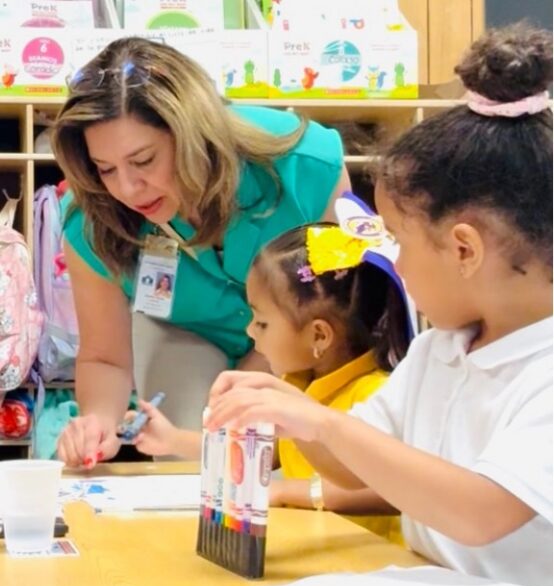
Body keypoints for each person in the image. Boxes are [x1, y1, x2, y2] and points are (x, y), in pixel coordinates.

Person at [205, 23, 553, 586]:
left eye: (399, 239)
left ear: (464, 249)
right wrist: (284, 409)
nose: (394, 262)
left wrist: (317, 421)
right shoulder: (441, 349)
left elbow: (481, 511)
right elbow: (350, 462)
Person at [51, 36, 350, 468]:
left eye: (144, 160)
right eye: (106, 168)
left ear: (193, 134)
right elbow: (105, 357)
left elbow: (342, 307)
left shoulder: (308, 167)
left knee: (285, 458)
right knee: (187, 460)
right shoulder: (90, 217)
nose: (128, 189)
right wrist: (98, 423)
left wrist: (258, 372)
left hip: (304, 331)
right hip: (185, 331)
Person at [124, 216, 413, 543]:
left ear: (318, 335)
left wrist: (289, 491)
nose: (250, 332)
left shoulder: (376, 396)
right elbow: (256, 449)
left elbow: (390, 492)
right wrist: (172, 439)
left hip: (373, 565)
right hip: (315, 550)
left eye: (261, 323)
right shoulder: (297, 385)